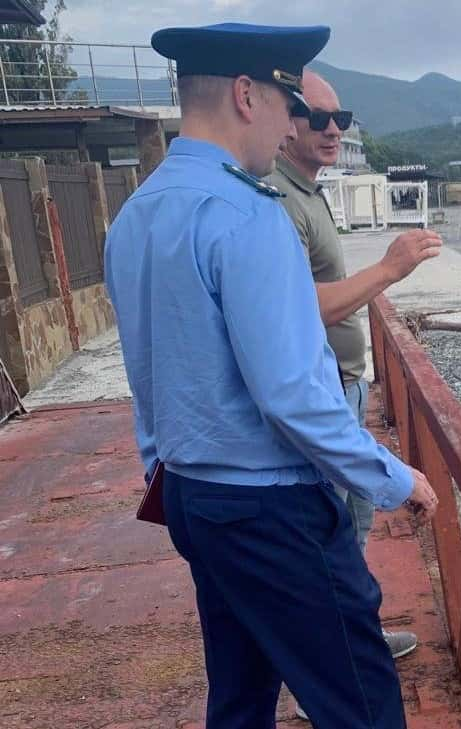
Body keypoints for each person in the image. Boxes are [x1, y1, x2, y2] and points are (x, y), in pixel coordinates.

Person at [104, 22, 438, 729]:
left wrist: (163, 468)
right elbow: (292, 394)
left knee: (240, 691)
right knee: (361, 696)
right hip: (268, 508)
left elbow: (148, 372)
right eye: (292, 105)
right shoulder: (247, 216)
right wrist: (391, 475)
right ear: (246, 94)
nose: (294, 126)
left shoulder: (135, 216)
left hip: (192, 496)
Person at [265, 71, 442, 671]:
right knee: (331, 532)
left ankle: (352, 636)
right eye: (318, 118)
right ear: (286, 123)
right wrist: (390, 269)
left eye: (342, 118)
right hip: (323, 389)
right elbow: (304, 307)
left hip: (345, 383)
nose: (333, 129)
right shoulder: (280, 199)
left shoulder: (308, 191)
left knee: (355, 520)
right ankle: (335, 662)